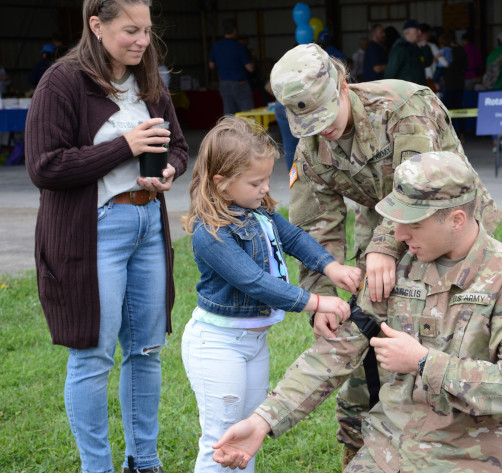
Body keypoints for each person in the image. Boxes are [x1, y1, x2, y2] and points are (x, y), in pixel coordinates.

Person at [212, 151, 502, 473]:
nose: (398, 235)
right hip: (387, 450)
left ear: (456, 219)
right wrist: (262, 421)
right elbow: (336, 351)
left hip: (467, 457)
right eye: (396, 222)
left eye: (414, 225)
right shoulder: (397, 266)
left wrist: (424, 362)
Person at [268, 43, 501, 467]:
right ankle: (361, 442)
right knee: (360, 326)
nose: (324, 131)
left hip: (447, 227)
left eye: (325, 115)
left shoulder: (402, 107)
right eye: (309, 123)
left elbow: (420, 192)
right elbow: (317, 227)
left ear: (343, 84)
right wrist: (324, 300)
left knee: (447, 331)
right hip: (383, 225)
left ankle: (463, 436)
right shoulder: (311, 149)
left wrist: (382, 248)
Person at [24, 0, 189, 471]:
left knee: (147, 350)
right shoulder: (62, 82)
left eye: (147, 31)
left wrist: (170, 169)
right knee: (93, 356)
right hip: (92, 230)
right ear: (96, 25)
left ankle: (145, 460)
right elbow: (44, 165)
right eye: (130, 31)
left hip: (147, 226)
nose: (141, 41)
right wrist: (125, 147)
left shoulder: (148, 78)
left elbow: (176, 144)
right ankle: (97, 467)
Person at [181, 116, 362, 473]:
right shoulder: (210, 231)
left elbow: (293, 238)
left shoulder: (258, 212)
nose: (266, 189)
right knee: (220, 438)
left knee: (247, 433)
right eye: (255, 182)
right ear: (220, 183)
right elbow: (253, 282)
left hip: (253, 343)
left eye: (267, 179)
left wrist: (330, 266)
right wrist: (316, 301)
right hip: (219, 344)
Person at [209, 19, 254, 115]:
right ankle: (248, 130)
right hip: (239, 83)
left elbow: (211, 65)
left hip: (224, 83)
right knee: (247, 112)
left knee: (229, 113)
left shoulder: (216, 46)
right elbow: (250, 68)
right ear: (235, 30)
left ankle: (230, 130)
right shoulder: (239, 47)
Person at [384, 19, 432, 85]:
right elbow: (390, 72)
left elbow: (427, 62)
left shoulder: (416, 48)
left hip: (417, 90)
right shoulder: (400, 49)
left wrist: (425, 47)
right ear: (408, 32)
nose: (420, 33)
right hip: (405, 92)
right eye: (417, 30)